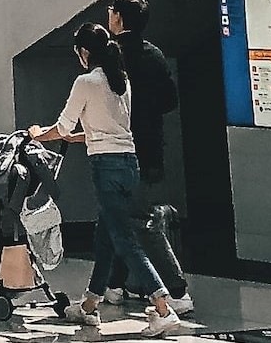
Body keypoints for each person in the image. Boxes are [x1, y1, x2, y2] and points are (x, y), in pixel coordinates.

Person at [31, 23, 184, 335]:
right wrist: (73, 137)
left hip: (106, 168)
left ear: (84, 51)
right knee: (106, 238)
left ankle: (163, 307)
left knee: (124, 239)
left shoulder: (86, 82)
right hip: (129, 165)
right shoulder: (120, 81)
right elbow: (100, 131)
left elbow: (62, 128)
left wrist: (38, 135)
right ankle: (88, 307)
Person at [108, 0, 192, 316]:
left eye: (112, 12)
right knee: (119, 216)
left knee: (141, 222)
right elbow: (170, 100)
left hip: (119, 150)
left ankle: (178, 291)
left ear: (119, 18)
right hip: (150, 148)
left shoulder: (111, 55)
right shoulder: (154, 54)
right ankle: (113, 285)